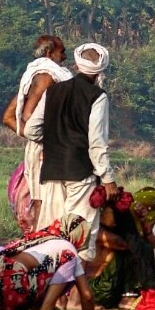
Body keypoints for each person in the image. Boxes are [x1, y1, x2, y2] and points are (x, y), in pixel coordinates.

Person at [24, 42, 117, 265]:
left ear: (76, 64)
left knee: (51, 237)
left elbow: (30, 130)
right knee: (79, 238)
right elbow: (97, 144)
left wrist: (56, 138)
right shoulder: (98, 96)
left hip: (51, 172)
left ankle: (51, 293)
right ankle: (73, 297)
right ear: (100, 71)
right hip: (80, 174)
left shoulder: (53, 91)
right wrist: (108, 179)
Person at [2, 35, 73, 229]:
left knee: (48, 202)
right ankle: (47, 246)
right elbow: (27, 114)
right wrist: (46, 142)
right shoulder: (46, 76)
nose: (65, 57)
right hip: (47, 152)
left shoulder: (36, 77)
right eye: (62, 51)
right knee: (48, 203)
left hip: (48, 148)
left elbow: (9, 116)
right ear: (50, 53)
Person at [0, 231, 96, 310]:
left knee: (40, 271)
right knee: (67, 259)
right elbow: (87, 296)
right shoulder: (68, 247)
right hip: (13, 287)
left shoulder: (36, 239)